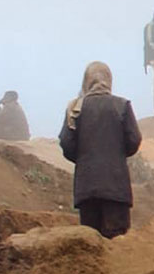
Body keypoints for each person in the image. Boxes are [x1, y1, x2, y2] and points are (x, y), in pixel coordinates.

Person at [58, 61, 142, 239]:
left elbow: (66, 144)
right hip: (116, 188)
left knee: (91, 245)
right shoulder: (122, 105)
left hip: (86, 189)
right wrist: (116, 154)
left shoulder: (75, 108)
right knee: (117, 244)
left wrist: (83, 158)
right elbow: (134, 140)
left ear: (86, 81)